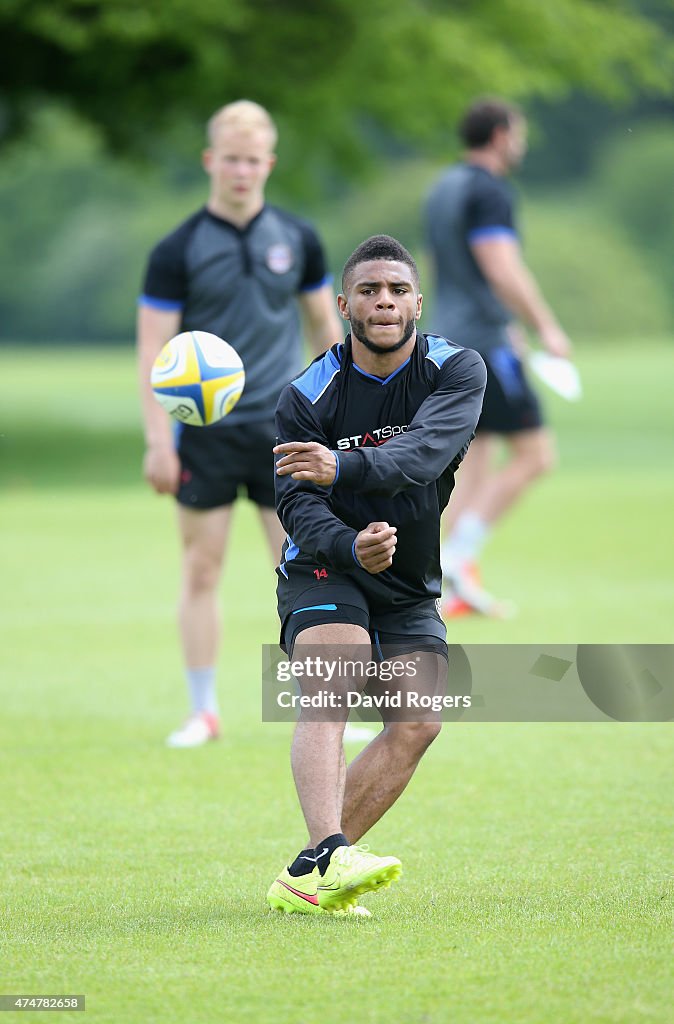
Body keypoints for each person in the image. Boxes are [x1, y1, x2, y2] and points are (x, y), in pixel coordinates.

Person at [266, 235, 486, 915]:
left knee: (419, 722)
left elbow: (422, 455)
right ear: (343, 306)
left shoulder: (457, 370)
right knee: (336, 674)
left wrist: (346, 468)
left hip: (409, 578)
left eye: (395, 289)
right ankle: (331, 853)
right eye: (368, 290)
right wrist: (348, 543)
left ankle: (308, 872)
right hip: (325, 566)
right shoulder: (307, 395)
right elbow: (295, 503)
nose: (383, 301)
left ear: (417, 301)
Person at [137, 100, 342, 747]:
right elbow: (151, 351)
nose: (242, 171)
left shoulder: (298, 238)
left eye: (253, 161)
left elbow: (324, 331)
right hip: (205, 435)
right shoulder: (177, 249)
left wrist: (340, 414)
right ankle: (203, 711)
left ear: (268, 164)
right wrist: (156, 441)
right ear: (210, 161)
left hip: (283, 434)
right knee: (201, 567)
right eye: (231, 159)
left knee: (305, 565)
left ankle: (329, 706)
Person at [425, 97, 572, 617]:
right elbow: (500, 267)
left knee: (476, 460)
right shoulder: (490, 191)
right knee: (536, 454)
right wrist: (545, 326)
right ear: (502, 134)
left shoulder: (444, 186)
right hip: (484, 345)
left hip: (449, 339)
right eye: (519, 133)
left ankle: (436, 582)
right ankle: (457, 559)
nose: (522, 144)